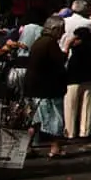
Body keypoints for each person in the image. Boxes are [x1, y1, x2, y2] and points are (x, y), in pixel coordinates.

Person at [25, 16, 68, 158]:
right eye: (62, 30)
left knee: (36, 120)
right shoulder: (50, 43)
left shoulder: (39, 42)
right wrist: (66, 48)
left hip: (35, 87)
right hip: (47, 89)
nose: (63, 33)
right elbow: (58, 63)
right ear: (55, 29)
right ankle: (55, 148)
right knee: (55, 119)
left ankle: (26, 147)